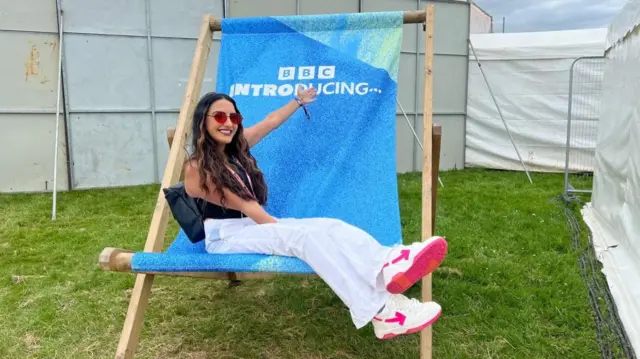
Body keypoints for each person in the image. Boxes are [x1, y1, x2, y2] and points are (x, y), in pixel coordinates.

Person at [183, 85, 449, 340]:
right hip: (224, 238)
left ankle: (388, 264)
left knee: (328, 226)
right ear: (202, 121)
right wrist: (283, 228)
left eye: (234, 116)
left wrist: (297, 101)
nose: (228, 122)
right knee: (303, 239)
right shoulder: (196, 167)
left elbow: (271, 121)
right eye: (219, 116)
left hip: (250, 225)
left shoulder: (235, 149)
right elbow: (246, 206)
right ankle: (382, 313)